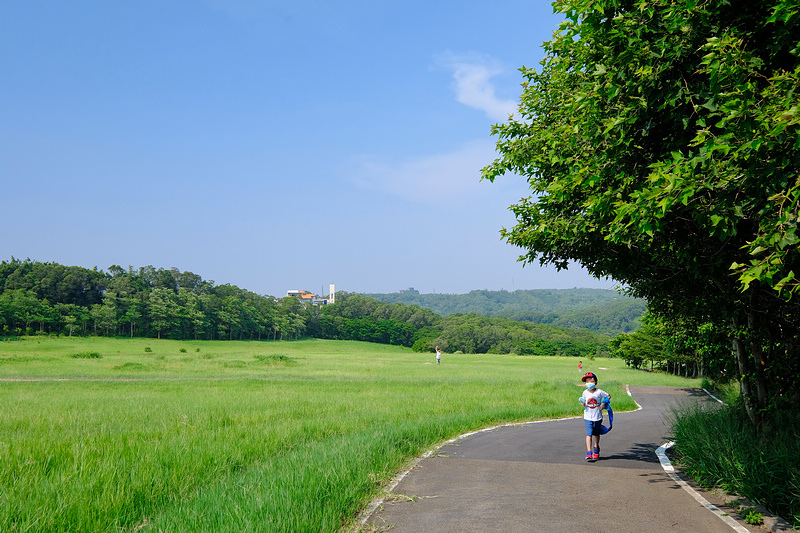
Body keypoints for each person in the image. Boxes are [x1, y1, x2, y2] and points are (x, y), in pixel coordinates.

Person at [579, 372, 610, 461]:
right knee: (589, 434)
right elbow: (584, 402)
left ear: (595, 382)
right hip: (588, 416)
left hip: (598, 416)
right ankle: (589, 451)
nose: (589, 383)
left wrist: (604, 403)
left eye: (591, 381)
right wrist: (583, 403)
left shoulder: (599, 392)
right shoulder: (585, 392)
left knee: (596, 433)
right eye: (587, 381)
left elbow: (608, 396)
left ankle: (596, 448)